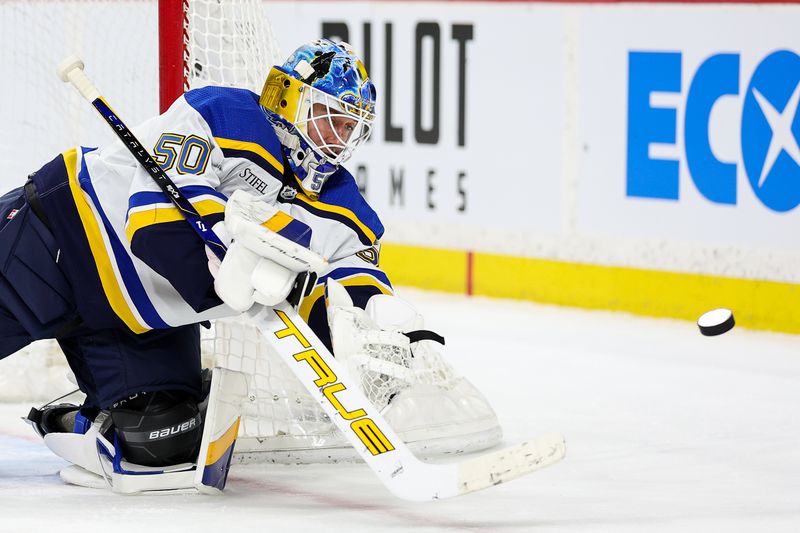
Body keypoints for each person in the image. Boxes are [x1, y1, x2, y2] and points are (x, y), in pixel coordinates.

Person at [2, 39, 393, 469]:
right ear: (289, 97)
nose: (337, 138)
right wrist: (224, 273)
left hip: (138, 321)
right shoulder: (221, 113)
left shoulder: (343, 208)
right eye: (328, 118)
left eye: (348, 127)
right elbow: (153, 229)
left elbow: (350, 285)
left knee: (162, 440)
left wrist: (377, 333)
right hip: (58, 242)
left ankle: (69, 420)